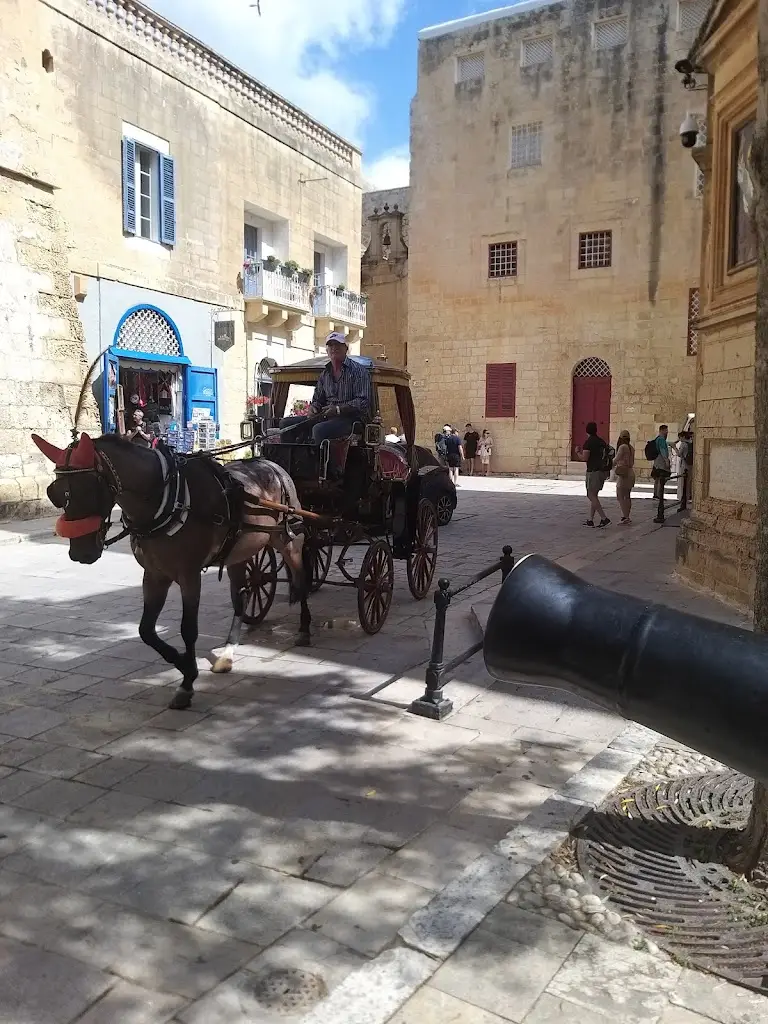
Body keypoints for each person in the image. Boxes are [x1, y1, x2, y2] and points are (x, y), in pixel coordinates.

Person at [280, 332, 371, 446]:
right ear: (327, 350)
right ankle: (290, 461)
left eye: (338, 345)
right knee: (286, 424)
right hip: (326, 417)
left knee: (319, 430)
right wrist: (313, 408)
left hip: (352, 420)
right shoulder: (325, 374)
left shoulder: (358, 371)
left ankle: (320, 463)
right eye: (331, 345)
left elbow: (363, 401)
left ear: (345, 348)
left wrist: (338, 409)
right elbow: (318, 399)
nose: (334, 348)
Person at [575, 421, 611, 528]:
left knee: (590, 495)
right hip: (602, 471)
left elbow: (584, 458)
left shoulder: (589, 443)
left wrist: (577, 452)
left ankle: (604, 518)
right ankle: (590, 520)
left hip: (593, 471)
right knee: (594, 495)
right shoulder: (601, 442)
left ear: (587, 430)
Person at [613, 429, 635, 524]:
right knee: (627, 496)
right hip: (630, 472)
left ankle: (625, 517)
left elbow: (616, 459)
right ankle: (626, 516)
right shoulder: (631, 448)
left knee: (620, 495)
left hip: (624, 474)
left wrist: (607, 464)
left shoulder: (622, 447)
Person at [651, 423, 671, 523]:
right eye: (666, 430)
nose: (667, 432)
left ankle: (656, 494)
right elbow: (663, 450)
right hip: (661, 461)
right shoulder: (662, 440)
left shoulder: (657, 439)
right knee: (662, 477)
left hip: (656, 462)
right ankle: (659, 495)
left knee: (657, 478)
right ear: (662, 430)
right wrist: (667, 461)